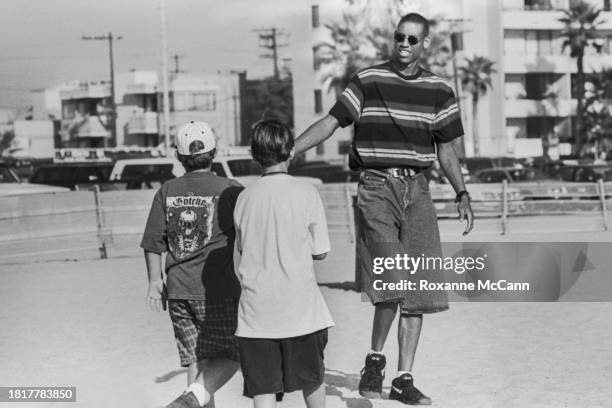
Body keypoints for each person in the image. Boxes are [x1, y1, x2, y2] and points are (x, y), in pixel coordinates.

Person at [295, 12, 474, 406]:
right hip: (376, 187)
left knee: (421, 289)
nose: (405, 45)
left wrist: (462, 192)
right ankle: (375, 359)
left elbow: (446, 150)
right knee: (393, 280)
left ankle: (403, 377)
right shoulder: (368, 80)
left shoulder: (440, 90)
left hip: (419, 190)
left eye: (413, 39)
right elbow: (331, 122)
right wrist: (291, 150)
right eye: (400, 38)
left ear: (425, 43)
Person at [233, 120, 334, 408]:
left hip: (256, 312)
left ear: (254, 155)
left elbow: (243, 247)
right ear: (291, 151)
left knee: (263, 389)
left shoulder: (243, 198)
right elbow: (321, 252)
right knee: (312, 380)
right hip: (302, 309)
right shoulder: (307, 193)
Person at [141, 121, 242, 408]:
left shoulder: (167, 190)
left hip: (177, 290)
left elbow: (152, 242)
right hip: (218, 290)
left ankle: (190, 400)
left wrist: (154, 281)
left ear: (178, 156)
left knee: (196, 359)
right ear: (214, 152)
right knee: (231, 356)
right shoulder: (231, 189)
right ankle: (189, 400)